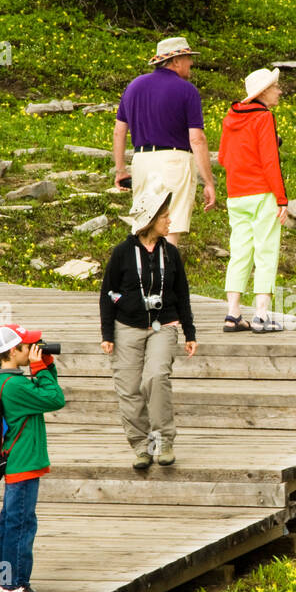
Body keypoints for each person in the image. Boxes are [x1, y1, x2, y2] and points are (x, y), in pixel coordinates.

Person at [100, 178, 198, 470]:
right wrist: (108, 333)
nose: (170, 221)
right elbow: (108, 293)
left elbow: (182, 294)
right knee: (129, 389)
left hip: (163, 325)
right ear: (151, 220)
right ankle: (142, 447)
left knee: (155, 378)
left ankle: (164, 440)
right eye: (165, 216)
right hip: (126, 327)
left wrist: (189, 332)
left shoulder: (171, 252)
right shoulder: (122, 252)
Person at [113, 36, 217, 249]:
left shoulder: (134, 87)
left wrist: (120, 170)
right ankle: (165, 278)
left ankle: (143, 276)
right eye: (188, 57)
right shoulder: (187, 90)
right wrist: (208, 181)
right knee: (171, 223)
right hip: (174, 161)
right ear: (176, 60)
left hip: (141, 160)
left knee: (144, 223)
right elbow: (197, 138)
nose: (191, 63)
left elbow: (119, 131)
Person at [0, 323, 65, 592]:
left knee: (10, 523)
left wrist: (45, 366)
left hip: (19, 463)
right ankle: (16, 585)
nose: (34, 349)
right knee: (22, 525)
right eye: (29, 346)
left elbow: (47, 392)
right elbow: (56, 399)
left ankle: (1, 582)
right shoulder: (16, 386)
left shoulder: (10, 381)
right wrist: (41, 370)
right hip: (23, 464)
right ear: (14, 351)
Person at [218, 67, 290, 334]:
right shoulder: (264, 118)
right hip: (262, 194)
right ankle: (261, 315)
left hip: (236, 195)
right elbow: (270, 161)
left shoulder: (230, 118)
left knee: (239, 252)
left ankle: (233, 314)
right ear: (262, 93)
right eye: (275, 87)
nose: (279, 91)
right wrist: (281, 199)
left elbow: (224, 157)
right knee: (266, 251)